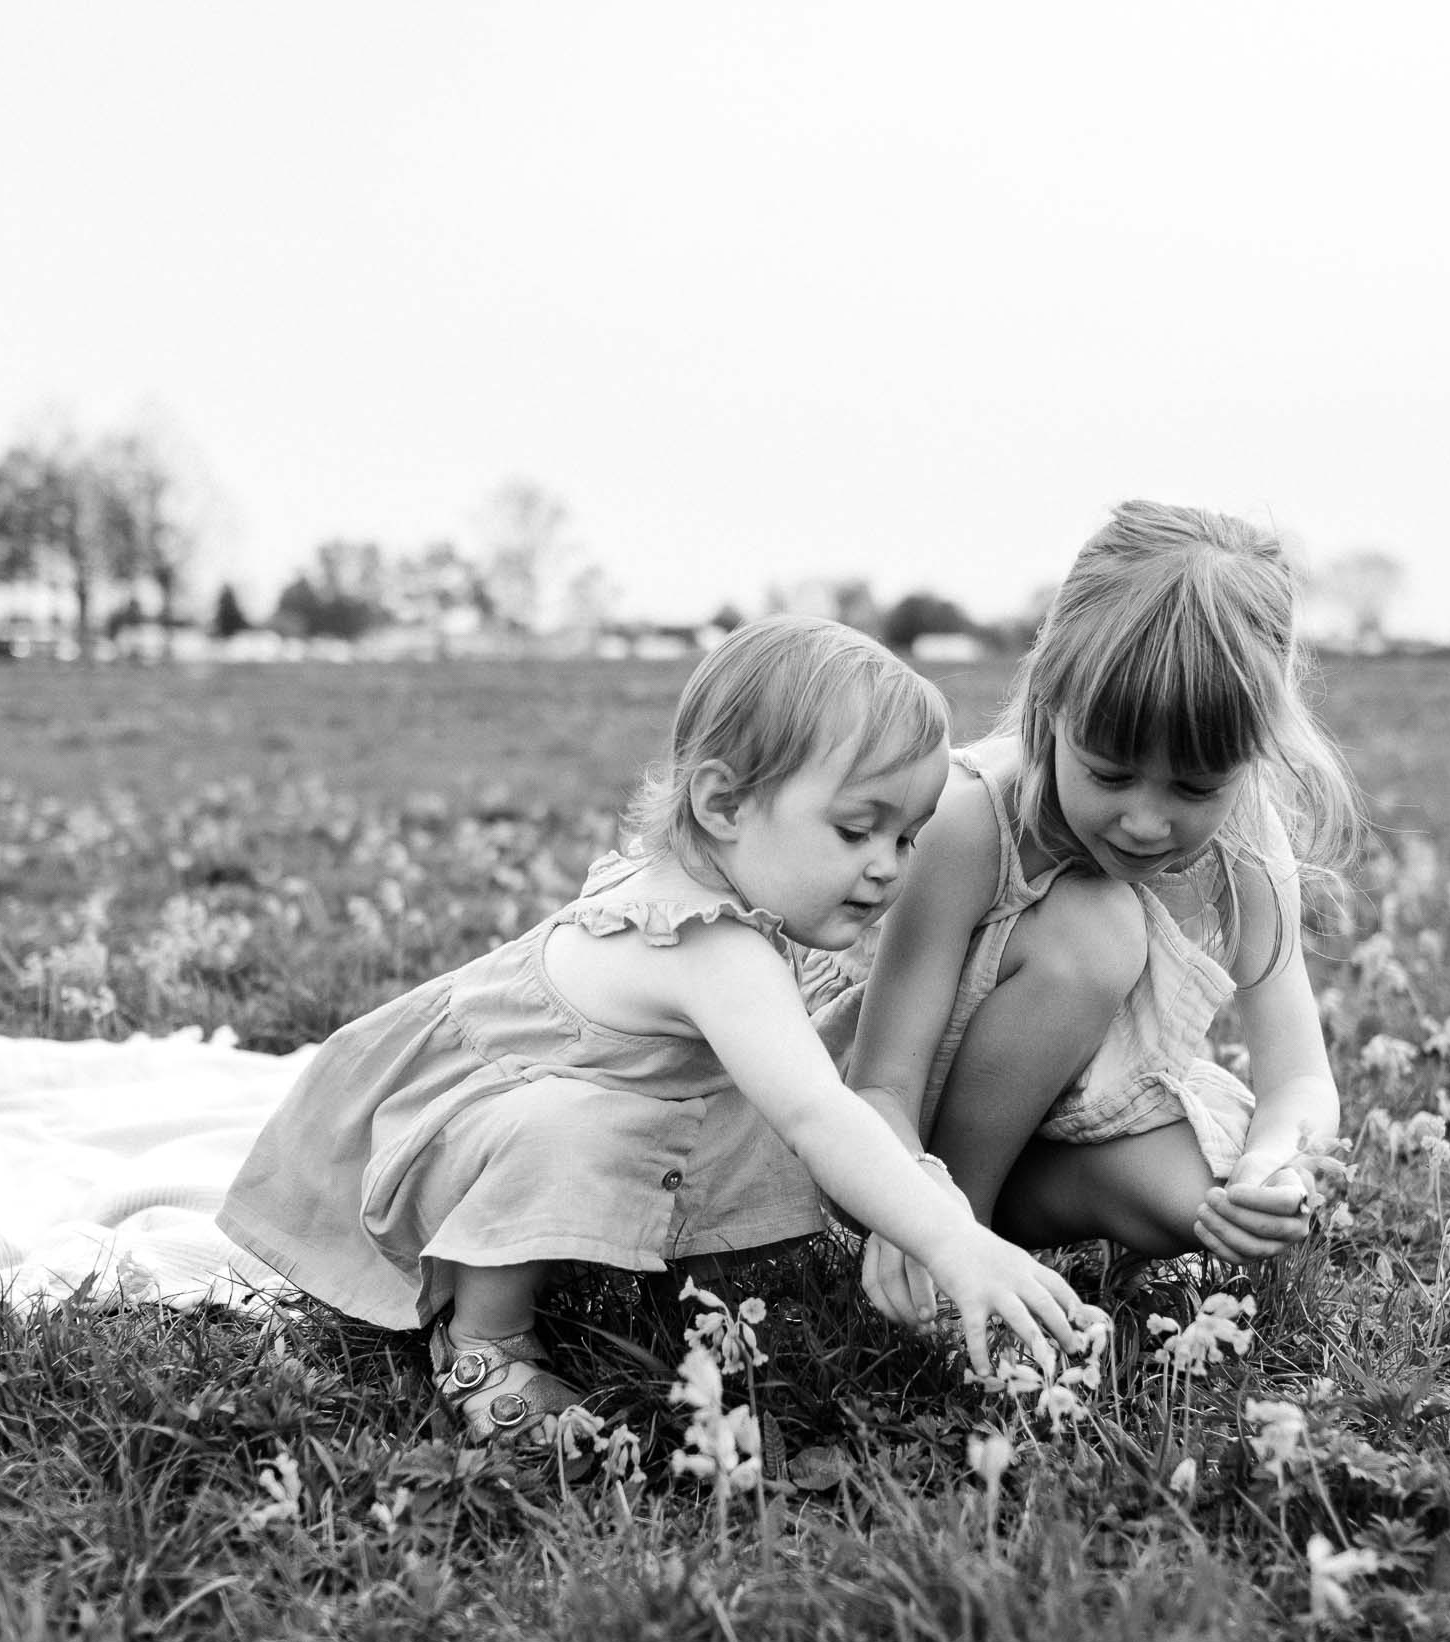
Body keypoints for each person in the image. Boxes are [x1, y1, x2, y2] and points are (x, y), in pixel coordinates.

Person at [219, 615, 1086, 1465]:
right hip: (454, 1133)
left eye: (907, 835)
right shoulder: (714, 948)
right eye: (857, 830)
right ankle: (482, 1339)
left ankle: (635, 1265)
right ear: (722, 804)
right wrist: (950, 1236)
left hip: (551, 1104)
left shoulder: (717, 873)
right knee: (584, 1126)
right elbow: (818, 1113)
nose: (889, 865)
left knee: (753, 1085)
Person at [847, 501, 1362, 1330]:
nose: (1149, 822)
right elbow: (879, 1084)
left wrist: (1275, 1167)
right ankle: (955, 1269)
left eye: (1196, 788)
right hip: (894, 1142)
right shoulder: (970, 818)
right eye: (1112, 774)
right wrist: (926, 1215)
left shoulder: (1247, 835)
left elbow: (1299, 1076)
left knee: (1203, 1201)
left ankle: (1007, 1219)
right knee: (1097, 929)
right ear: (1051, 702)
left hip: (1052, 1121)